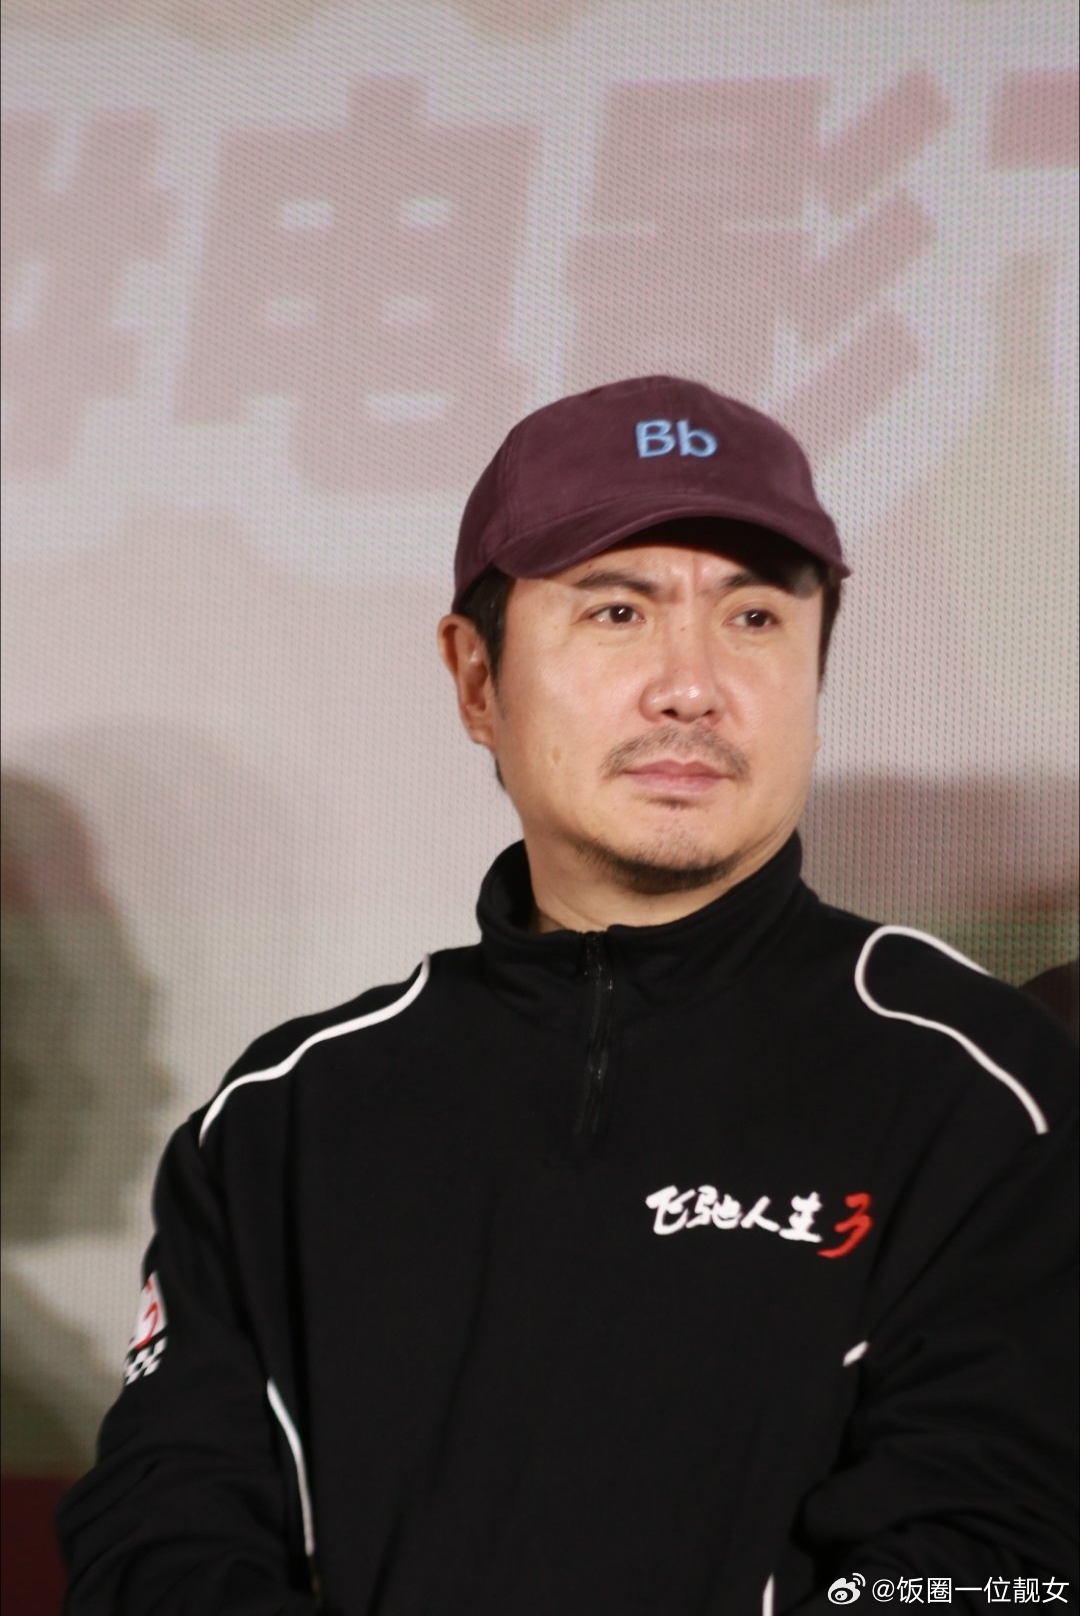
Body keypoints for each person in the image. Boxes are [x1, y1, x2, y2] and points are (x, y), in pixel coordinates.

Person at [57, 376, 1078, 1615]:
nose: (691, 687)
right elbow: (160, 1533)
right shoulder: (288, 1115)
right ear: (476, 679)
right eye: (617, 611)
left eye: (755, 617)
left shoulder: (988, 1090)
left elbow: (993, 1558)